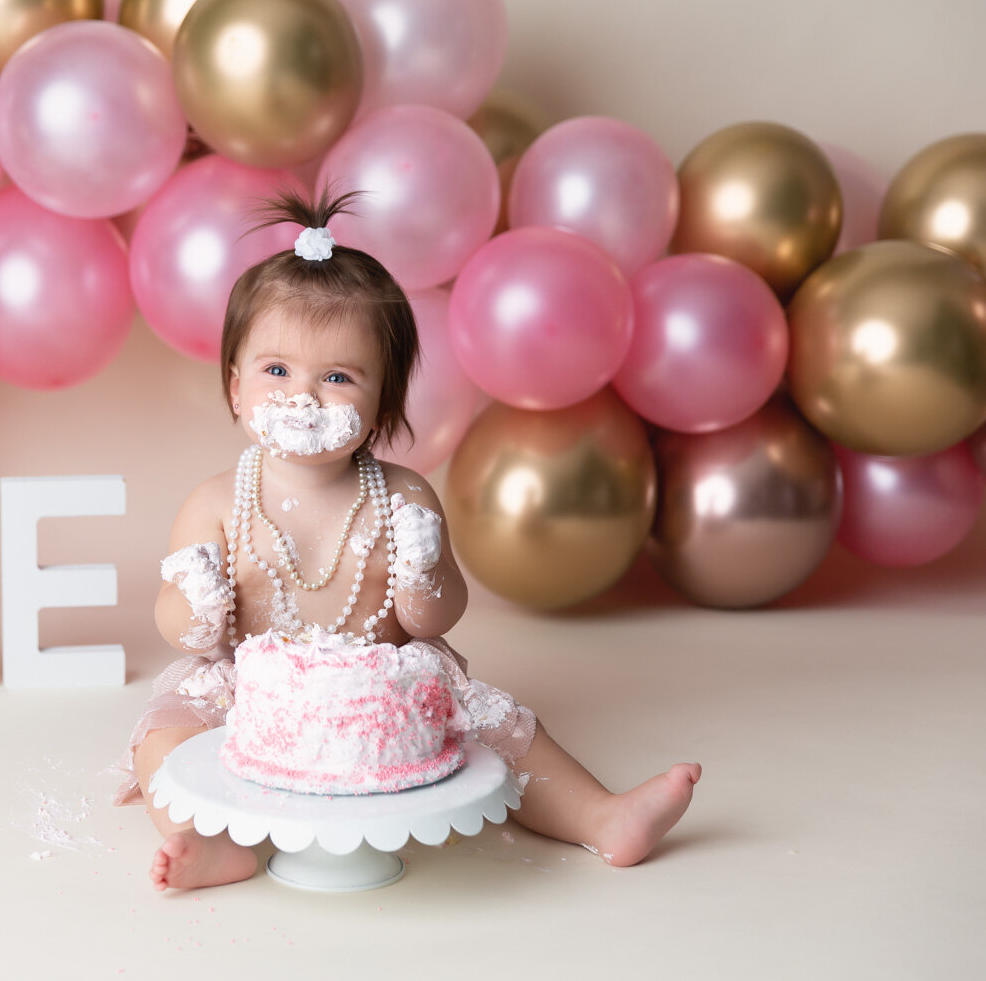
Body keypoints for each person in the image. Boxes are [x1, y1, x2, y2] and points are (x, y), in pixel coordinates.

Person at [112, 186, 701, 892]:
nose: (303, 396)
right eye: (276, 371)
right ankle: (205, 841)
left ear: (381, 406)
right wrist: (198, 601)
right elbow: (181, 628)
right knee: (163, 735)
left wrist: (423, 569)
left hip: (387, 689)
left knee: (501, 726)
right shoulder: (214, 502)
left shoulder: (403, 497)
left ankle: (601, 815)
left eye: (337, 377)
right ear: (235, 387)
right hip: (251, 687)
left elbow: (432, 617)